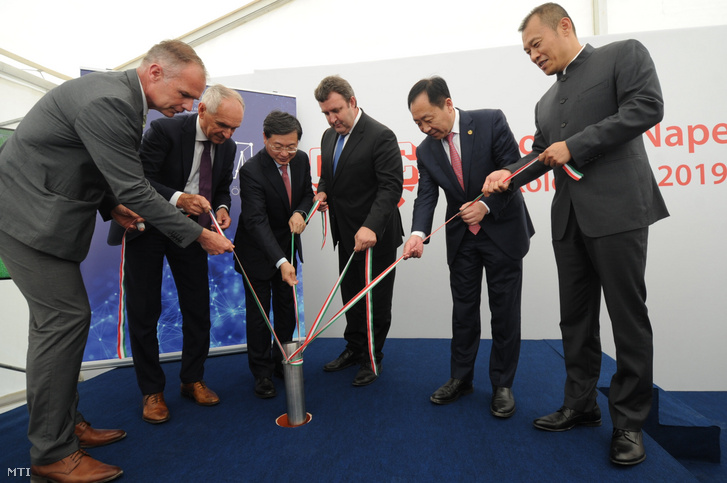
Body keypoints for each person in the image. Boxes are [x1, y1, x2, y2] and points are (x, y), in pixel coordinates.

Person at [0, 40, 234, 483]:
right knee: (65, 322)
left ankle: (64, 426)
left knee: (56, 327)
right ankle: (52, 453)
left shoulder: (123, 100)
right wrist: (198, 235)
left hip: (40, 221)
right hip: (26, 221)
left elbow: (91, 164)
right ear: (154, 73)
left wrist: (111, 206)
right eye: (185, 95)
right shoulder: (110, 101)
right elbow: (136, 187)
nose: (189, 106)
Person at [483, 3, 668, 465]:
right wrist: (503, 176)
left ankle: (628, 421)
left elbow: (647, 107)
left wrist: (576, 145)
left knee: (628, 320)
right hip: (568, 221)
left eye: (536, 44)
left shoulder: (623, 54)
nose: (532, 55)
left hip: (619, 212)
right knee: (575, 320)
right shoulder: (545, 102)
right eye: (526, 51)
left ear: (564, 26)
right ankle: (580, 404)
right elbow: (540, 156)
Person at [403, 77, 534, 418]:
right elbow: (427, 195)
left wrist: (487, 206)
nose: (424, 127)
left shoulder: (490, 121)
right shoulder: (426, 149)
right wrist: (418, 232)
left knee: (504, 312)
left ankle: (502, 385)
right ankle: (461, 378)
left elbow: (515, 171)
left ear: (448, 103)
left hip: (502, 231)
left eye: (428, 118)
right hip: (462, 238)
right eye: (417, 122)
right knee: (463, 311)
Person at [120, 84, 244, 423]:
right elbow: (138, 179)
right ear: (202, 109)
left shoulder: (228, 146)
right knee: (145, 309)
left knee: (198, 306)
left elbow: (220, 187)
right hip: (147, 226)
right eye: (222, 125)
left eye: (234, 128)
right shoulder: (164, 129)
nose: (228, 133)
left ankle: (192, 379)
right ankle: (152, 391)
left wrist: (221, 206)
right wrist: (178, 198)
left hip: (193, 232)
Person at [313, 75, 404, 386]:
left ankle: (372, 357)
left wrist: (369, 226)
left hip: (374, 234)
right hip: (346, 234)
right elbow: (327, 177)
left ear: (352, 102)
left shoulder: (381, 135)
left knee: (374, 299)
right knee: (350, 294)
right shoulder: (328, 136)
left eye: (336, 110)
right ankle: (354, 348)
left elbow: (391, 188)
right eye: (326, 113)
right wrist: (323, 193)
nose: (332, 118)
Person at [233, 110, 314, 398]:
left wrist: (301, 212)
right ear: (264, 138)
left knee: (285, 310)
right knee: (259, 316)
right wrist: (279, 261)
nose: (285, 153)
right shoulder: (252, 170)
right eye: (277, 146)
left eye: (291, 146)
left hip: (288, 245)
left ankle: (282, 359)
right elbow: (255, 220)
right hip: (256, 250)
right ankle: (262, 374)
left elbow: (307, 193)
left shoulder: (301, 160)